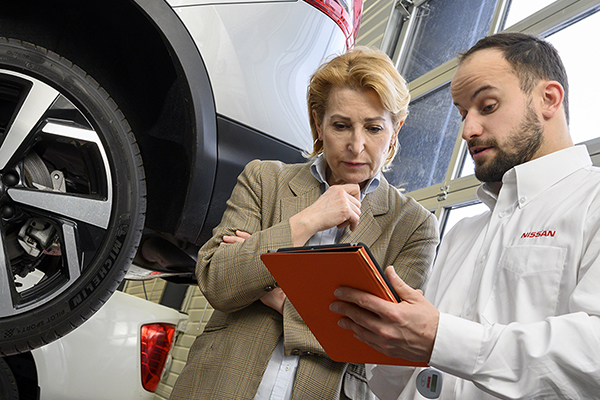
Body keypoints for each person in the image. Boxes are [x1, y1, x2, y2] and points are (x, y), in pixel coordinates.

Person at [329, 32, 600, 399]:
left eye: (487, 106)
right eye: (461, 113)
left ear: (548, 99)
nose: (467, 130)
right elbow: (398, 375)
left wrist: (440, 337)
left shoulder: (592, 201)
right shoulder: (463, 233)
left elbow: (592, 356)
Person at [168, 47, 439, 400]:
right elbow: (218, 281)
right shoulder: (264, 180)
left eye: (373, 128)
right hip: (219, 386)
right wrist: (308, 220)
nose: (356, 146)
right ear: (318, 123)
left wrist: (276, 292)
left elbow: (379, 339)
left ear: (396, 129)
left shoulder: (413, 226)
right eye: (341, 125)